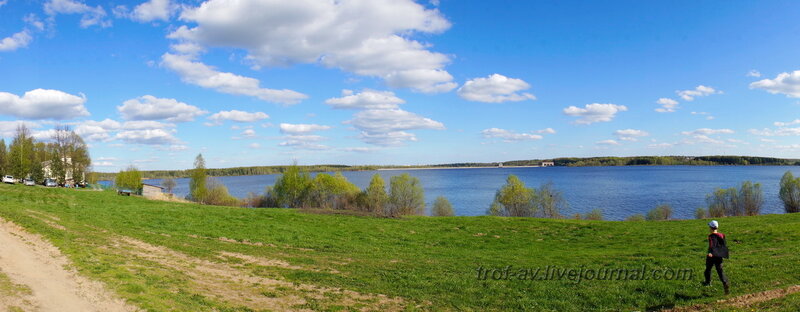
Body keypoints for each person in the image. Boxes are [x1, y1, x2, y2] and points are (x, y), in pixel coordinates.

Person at [703, 220, 729, 295]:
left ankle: (708, 282)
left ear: (711, 228)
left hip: (712, 256)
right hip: (719, 256)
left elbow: (712, 245)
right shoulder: (722, 235)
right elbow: (724, 245)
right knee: (720, 271)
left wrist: (710, 252)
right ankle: (725, 283)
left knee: (707, 270)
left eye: (709, 227)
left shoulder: (711, 236)